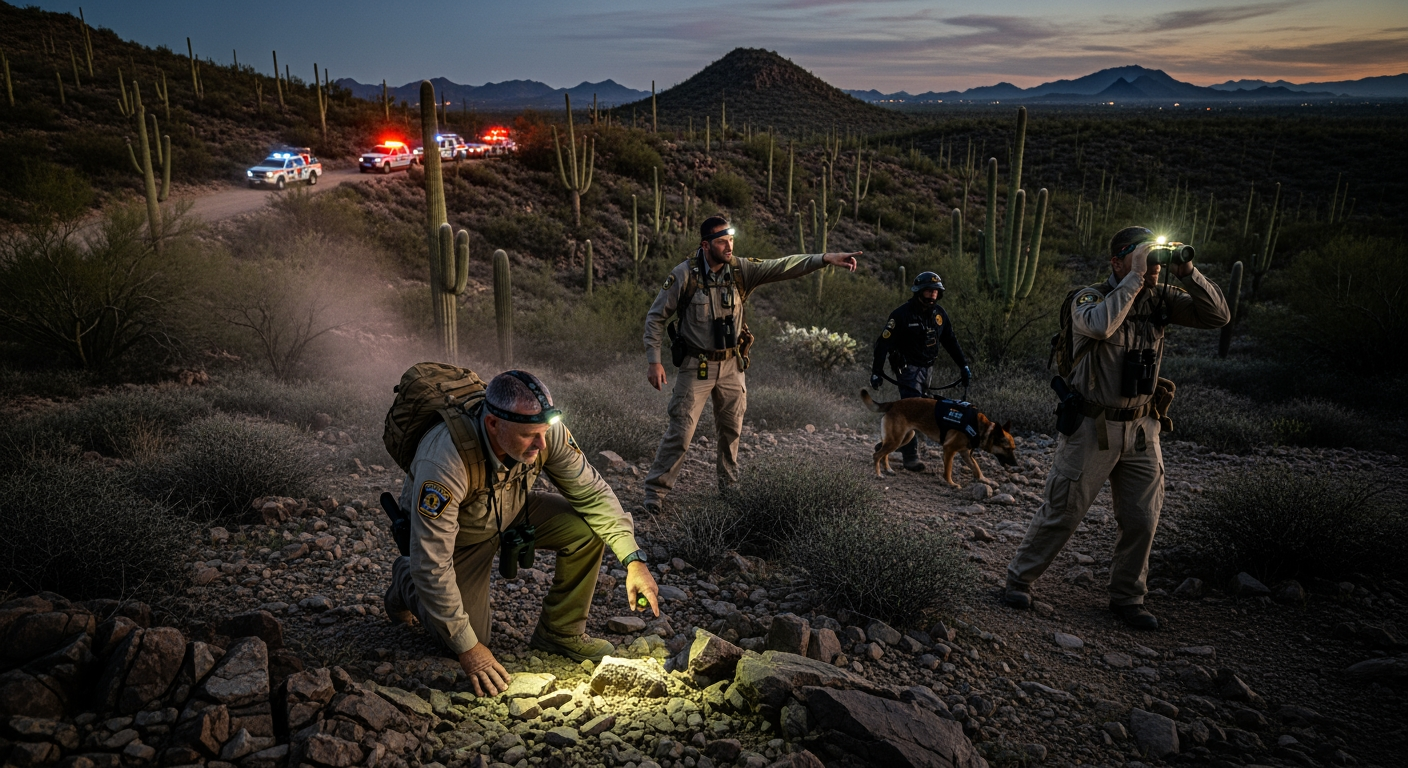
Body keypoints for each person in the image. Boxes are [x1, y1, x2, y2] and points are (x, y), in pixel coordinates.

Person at [1003, 226, 1229, 630]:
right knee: (1065, 510)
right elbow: (1100, 326)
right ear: (1116, 260)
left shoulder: (1161, 299)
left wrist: (1188, 272)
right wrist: (1134, 279)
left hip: (1143, 426)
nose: (1151, 264)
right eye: (1141, 254)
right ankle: (1019, 579)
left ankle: (1127, 596)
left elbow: (1218, 316)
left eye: (1153, 256)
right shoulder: (1089, 297)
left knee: (1143, 517)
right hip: (1093, 426)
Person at [384, 370, 660, 696]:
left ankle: (560, 633)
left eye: (545, 432)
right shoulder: (445, 461)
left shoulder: (542, 431)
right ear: (493, 424)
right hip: (459, 540)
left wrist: (633, 559)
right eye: (530, 435)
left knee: (587, 526)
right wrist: (469, 650)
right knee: (468, 637)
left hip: (510, 511)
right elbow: (432, 563)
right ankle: (405, 581)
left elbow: (593, 494)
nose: (542, 444)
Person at [641, 216, 862, 513]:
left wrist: (825, 258)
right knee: (681, 432)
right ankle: (655, 492)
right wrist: (654, 362)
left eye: (731, 239)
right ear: (706, 245)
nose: (728, 246)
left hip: (733, 365)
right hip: (698, 366)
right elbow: (656, 317)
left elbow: (782, 265)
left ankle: (729, 489)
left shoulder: (741, 270)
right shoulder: (684, 275)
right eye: (721, 241)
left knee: (731, 431)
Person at [869, 271, 973, 471]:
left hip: (928, 368)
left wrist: (963, 365)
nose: (932, 295)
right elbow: (882, 344)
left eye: (936, 292)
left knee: (925, 410)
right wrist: (876, 371)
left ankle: (891, 444)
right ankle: (910, 457)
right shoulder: (901, 314)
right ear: (918, 291)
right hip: (907, 369)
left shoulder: (940, 314)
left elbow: (951, 341)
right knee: (912, 410)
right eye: (928, 291)